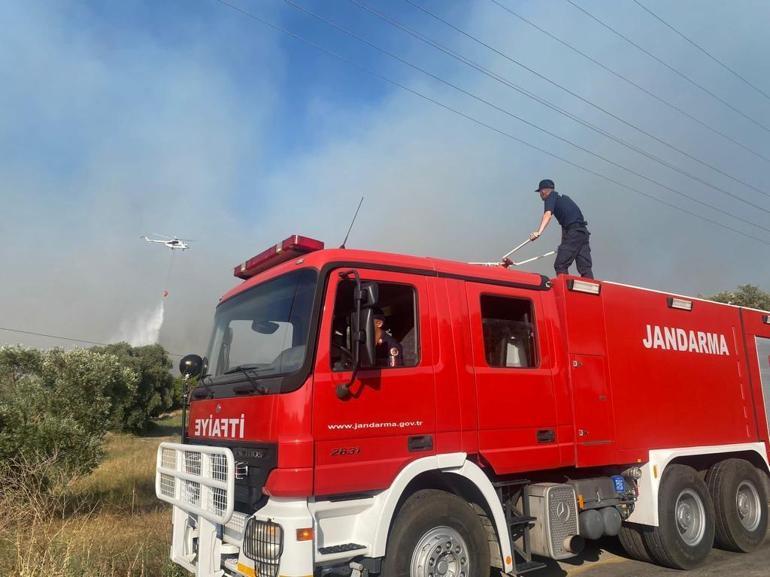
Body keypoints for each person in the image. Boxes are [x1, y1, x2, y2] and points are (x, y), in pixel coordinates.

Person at [529, 179, 594, 279]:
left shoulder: (551, 197)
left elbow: (547, 214)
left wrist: (538, 232)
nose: (540, 195)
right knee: (585, 268)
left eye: (540, 193)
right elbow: (569, 223)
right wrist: (564, 243)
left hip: (574, 234)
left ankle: (563, 291)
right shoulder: (565, 200)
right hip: (583, 233)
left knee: (560, 264)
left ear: (543, 191)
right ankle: (590, 292)